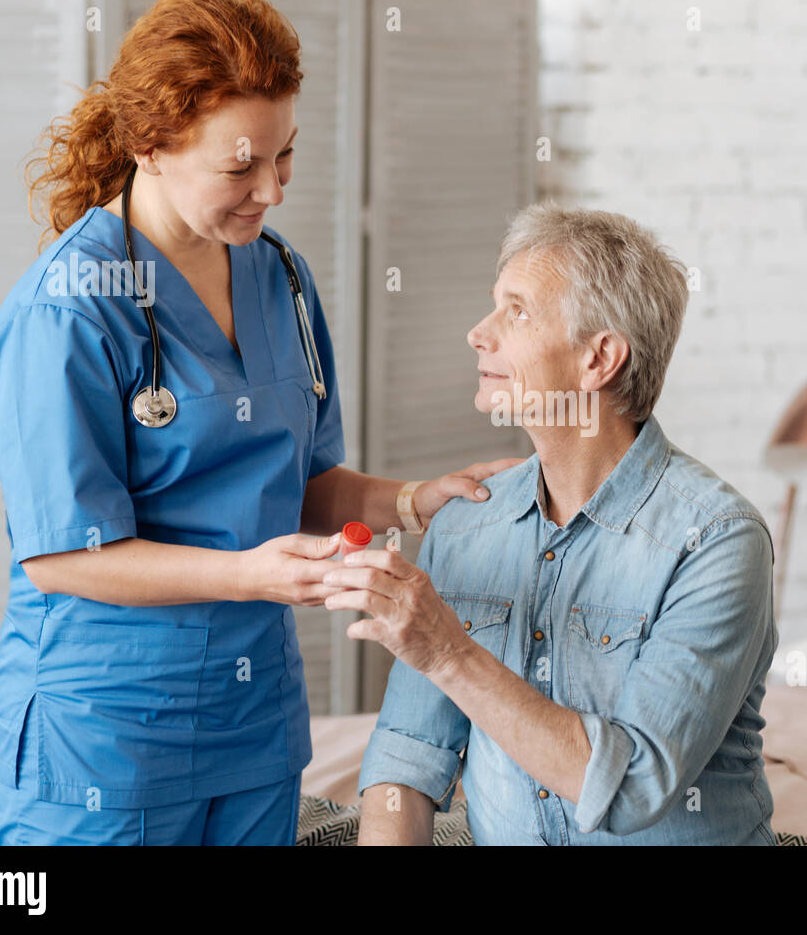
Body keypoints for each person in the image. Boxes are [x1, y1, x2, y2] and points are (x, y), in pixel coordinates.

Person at [0, 0, 518, 846]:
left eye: (285, 156)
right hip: (109, 735)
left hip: (254, 724)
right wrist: (254, 575)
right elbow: (61, 556)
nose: (271, 189)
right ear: (150, 147)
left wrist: (414, 499)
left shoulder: (280, 278)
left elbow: (301, 484)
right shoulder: (69, 309)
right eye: (240, 166)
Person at [329, 202, 780, 844]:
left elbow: (632, 787)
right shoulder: (465, 523)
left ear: (598, 360)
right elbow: (407, 760)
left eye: (516, 312)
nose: (478, 333)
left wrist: (450, 651)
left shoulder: (717, 540)